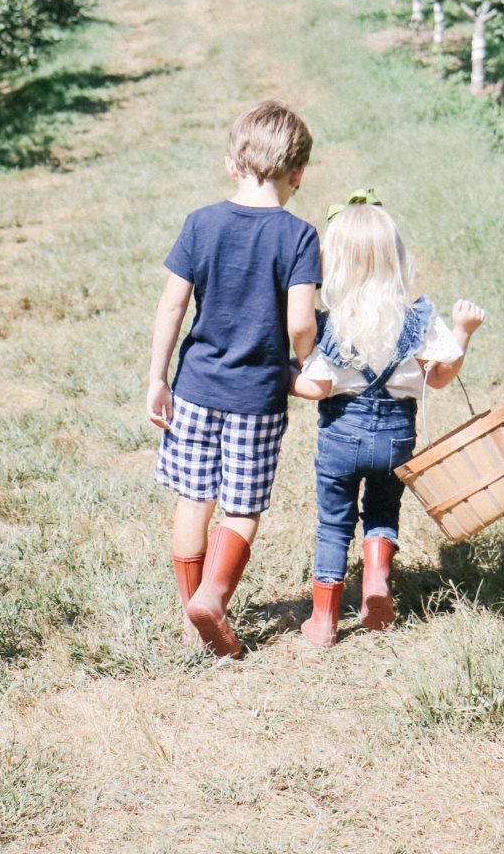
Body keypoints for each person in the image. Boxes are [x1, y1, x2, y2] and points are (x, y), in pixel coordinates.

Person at [146, 101, 320, 657]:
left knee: (193, 499)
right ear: (298, 174)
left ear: (231, 164)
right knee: (242, 506)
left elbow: (172, 307)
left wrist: (158, 379)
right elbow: (300, 322)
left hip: (195, 388)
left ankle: (187, 612)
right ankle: (213, 599)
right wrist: (310, 363)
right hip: (258, 398)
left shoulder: (201, 223)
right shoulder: (299, 236)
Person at [292, 194, 485, 646]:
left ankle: (323, 621)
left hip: (342, 435)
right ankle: (376, 582)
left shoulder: (331, 323)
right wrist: (462, 332)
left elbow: (316, 387)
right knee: (382, 509)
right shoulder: (417, 317)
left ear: (334, 264)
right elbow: (438, 378)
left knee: (334, 522)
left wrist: (282, 378)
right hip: (397, 436)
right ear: (394, 257)